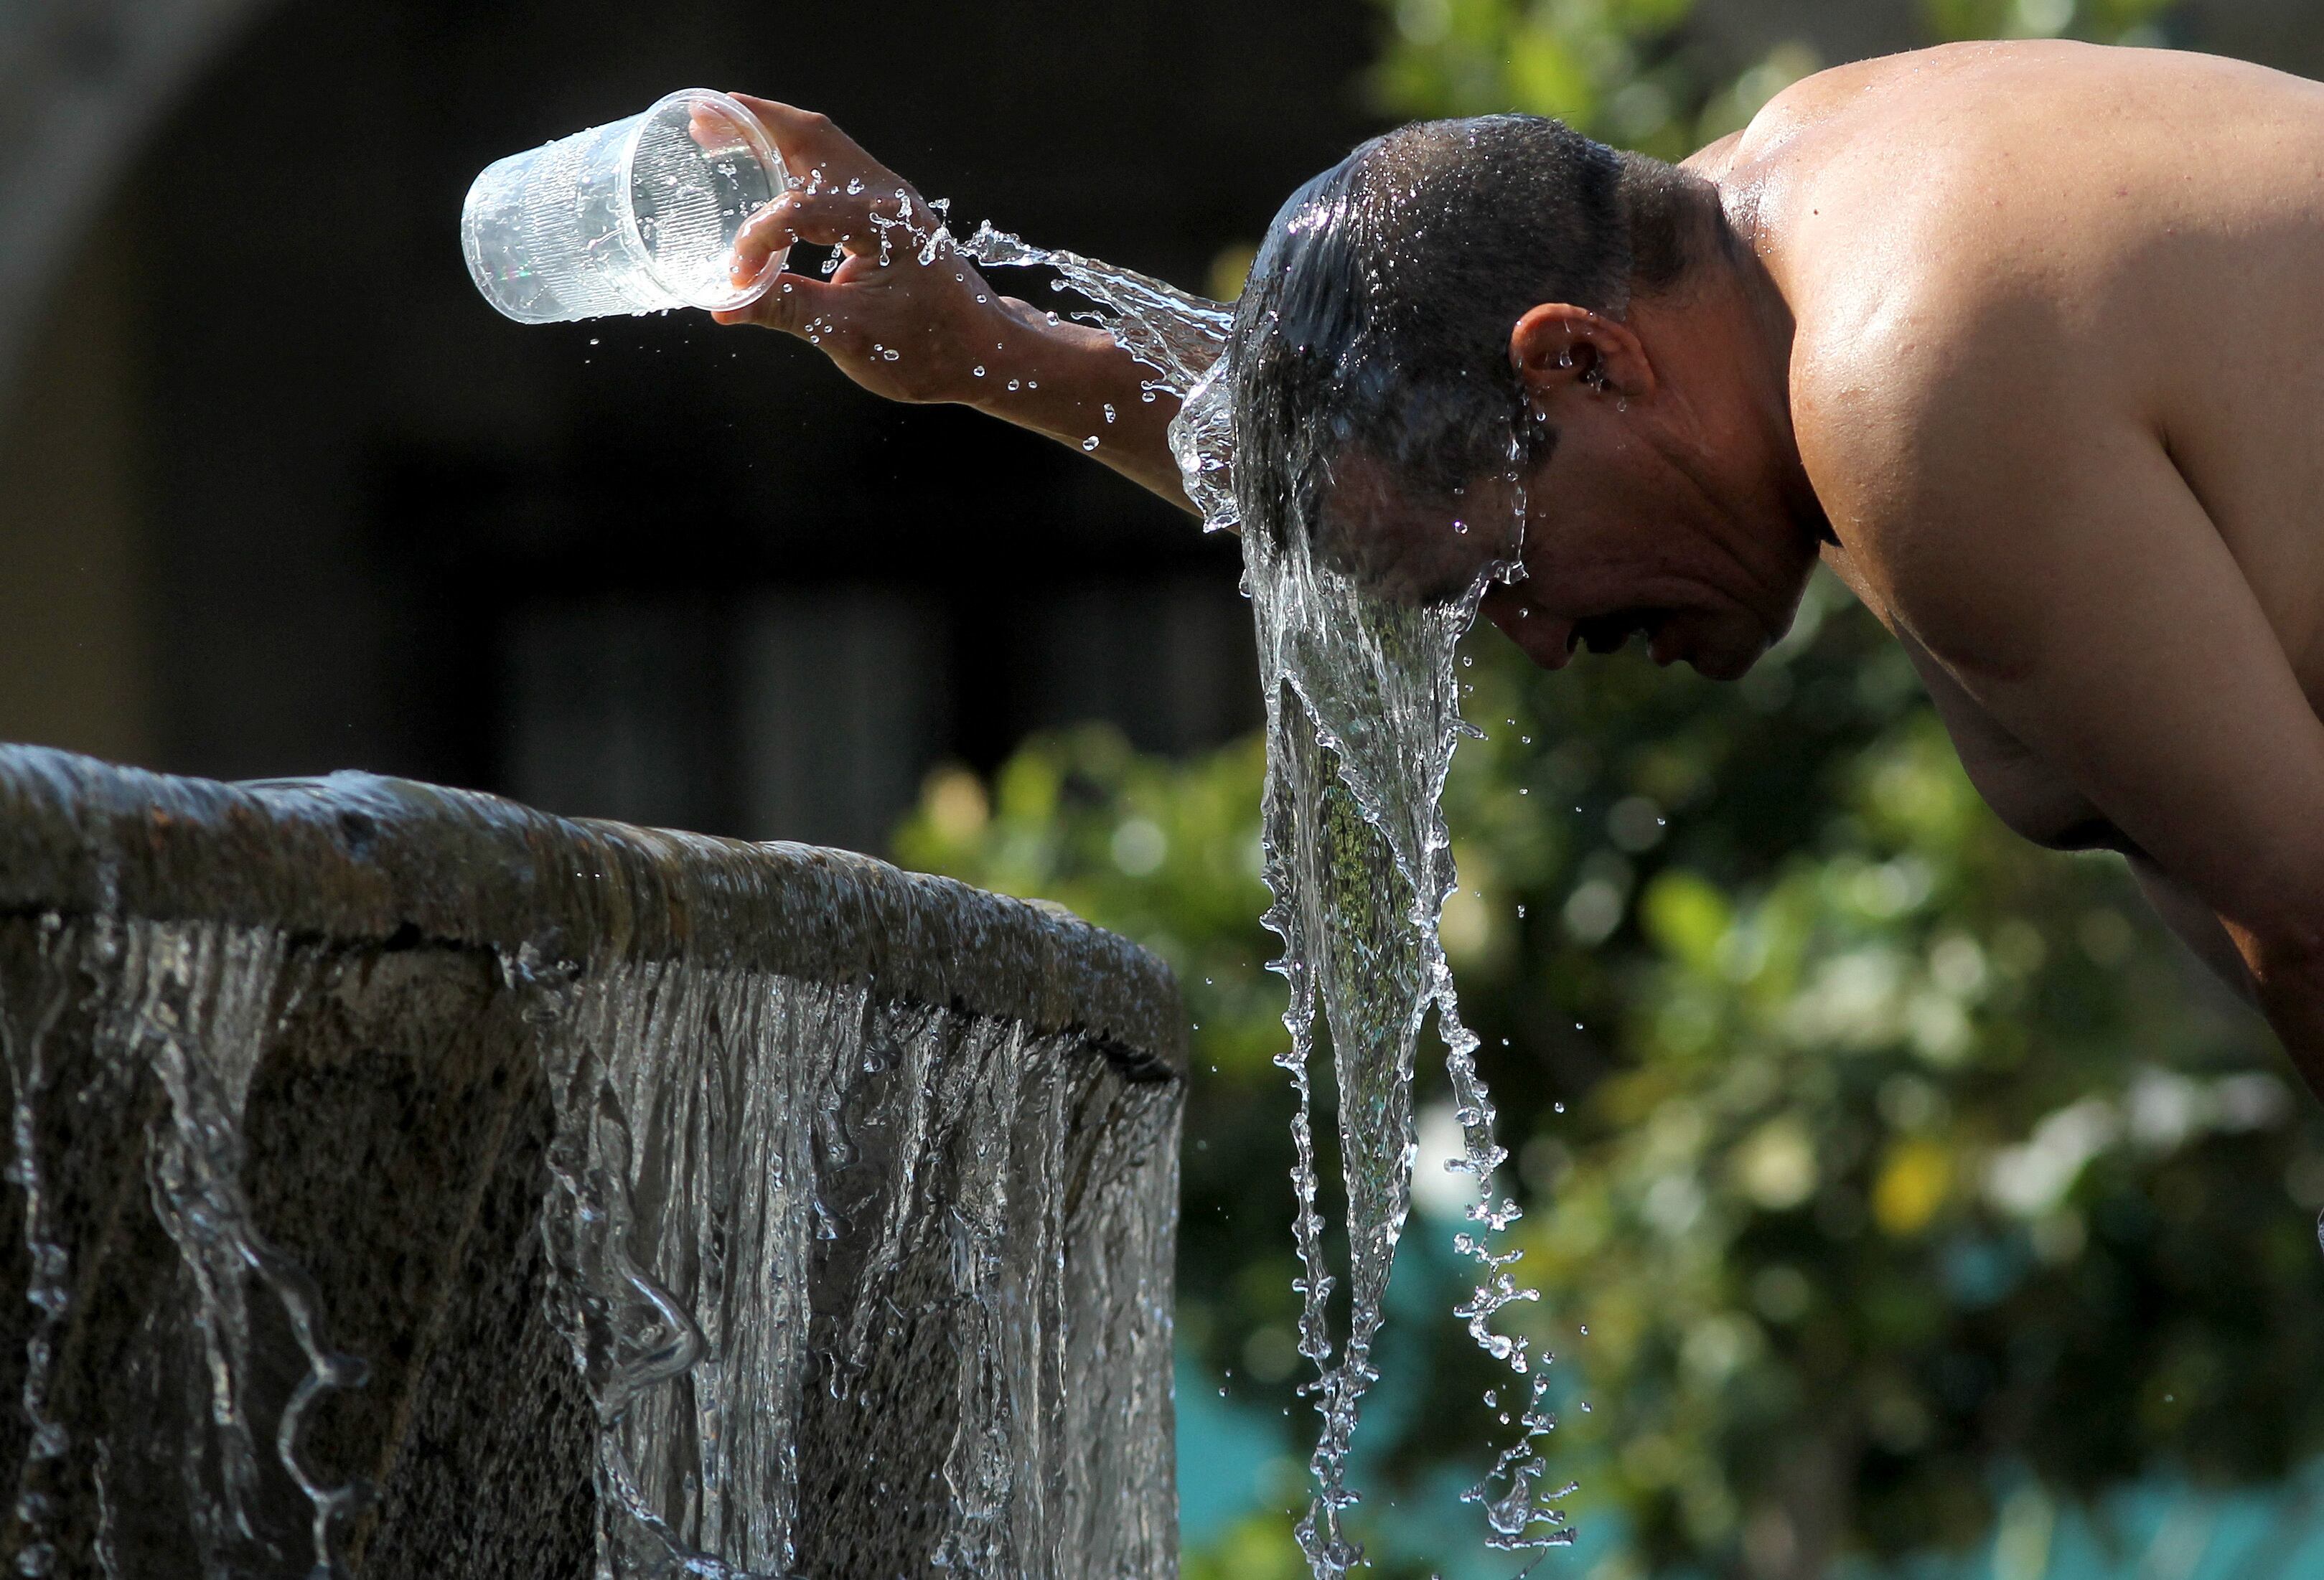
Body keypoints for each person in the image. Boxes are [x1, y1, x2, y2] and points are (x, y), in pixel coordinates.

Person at [708, 42, 2324, 1097]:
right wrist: (985, 348)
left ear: (1582, 366)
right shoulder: (1774, 214)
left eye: (1499, 579)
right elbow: (1384, 446)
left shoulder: (1905, 386)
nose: (1537, 643)